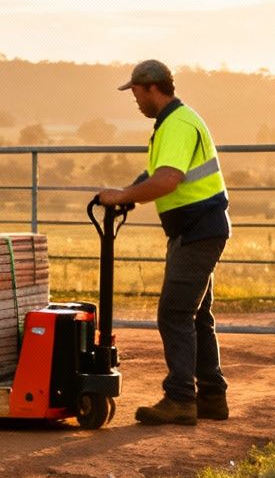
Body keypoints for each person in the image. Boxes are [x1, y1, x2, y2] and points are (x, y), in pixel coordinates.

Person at [95, 60, 231, 425]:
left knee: (174, 313)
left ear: (151, 87)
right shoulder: (175, 123)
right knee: (197, 315)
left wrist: (124, 194)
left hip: (198, 230)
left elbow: (168, 180)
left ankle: (181, 398)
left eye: (136, 92)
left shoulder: (177, 125)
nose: (135, 100)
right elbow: (156, 175)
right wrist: (127, 193)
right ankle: (212, 397)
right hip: (197, 229)